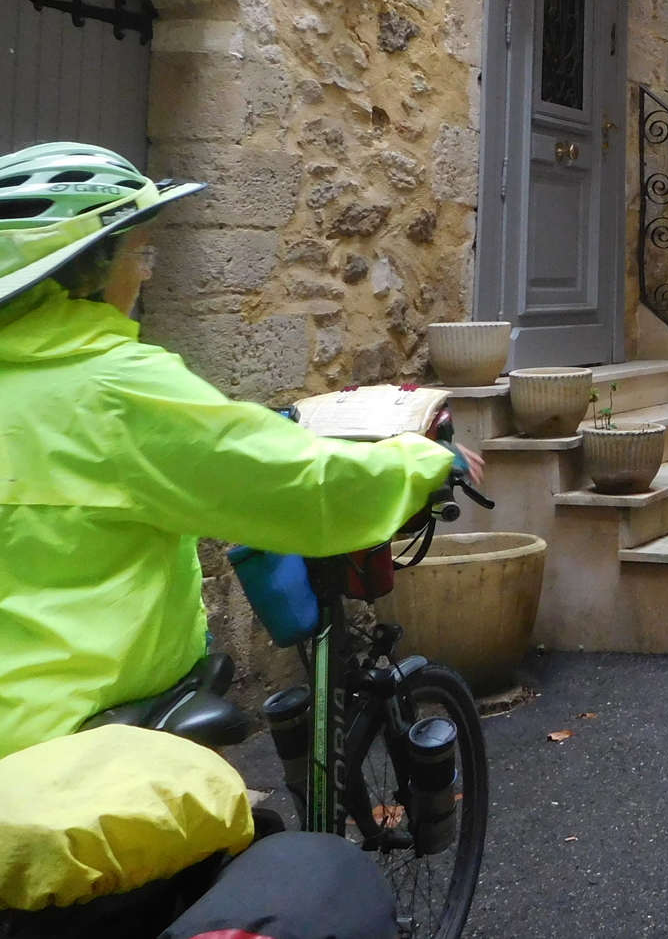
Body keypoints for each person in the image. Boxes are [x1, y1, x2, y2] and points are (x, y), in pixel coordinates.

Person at [0, 141, 460, 933]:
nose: (146, 272)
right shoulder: (116, 386)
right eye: (139, 252)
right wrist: (424, 463)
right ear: (89, 268)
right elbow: (304, 490)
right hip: (78, 721)